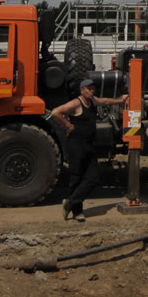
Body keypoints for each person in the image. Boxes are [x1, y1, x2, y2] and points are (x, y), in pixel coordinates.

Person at [51, 77, 126, 222]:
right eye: (89, 89)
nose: (92, 91)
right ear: (82, 90)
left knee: (93, 177)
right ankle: (77, 211)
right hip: (76, 145)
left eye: (93, 88)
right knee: (76, 177)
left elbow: (104, 101)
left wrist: (119, 101)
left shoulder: (92, 101)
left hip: (89, 145)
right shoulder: (76, 103)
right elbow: (55, 113)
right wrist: (67, 125)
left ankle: (70, 202)